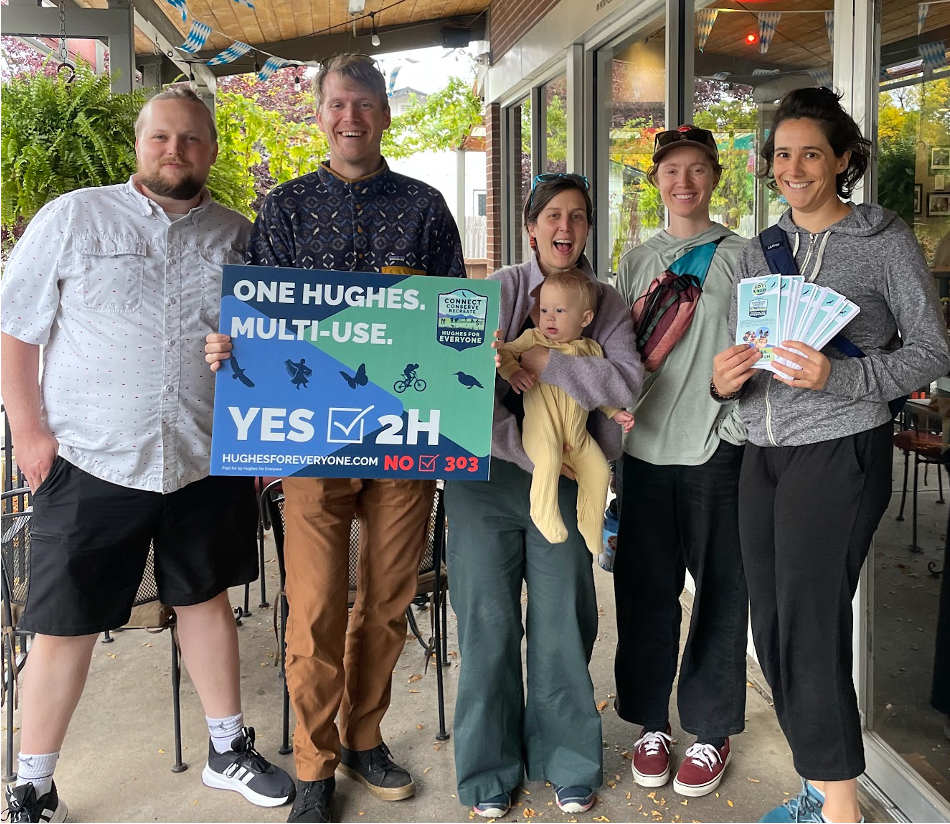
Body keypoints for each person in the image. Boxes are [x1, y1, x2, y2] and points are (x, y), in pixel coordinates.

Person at [0, 87, 295, 824]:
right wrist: (28, 430)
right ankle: (34, 784)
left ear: (212, 151)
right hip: (95, 459)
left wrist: (265, 431)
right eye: (162, 137)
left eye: (191, 139)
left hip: (203, 455)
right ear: (140, 144)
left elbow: (271, 343)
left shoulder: (238, 235)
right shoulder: (75, 217)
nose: (175, 150)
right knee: (62, 621)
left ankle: (227, 750)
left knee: (204, 598)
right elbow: (16, 326)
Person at [204, 54, 464, 824]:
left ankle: (362, 735)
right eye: (337, 104)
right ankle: (314, 766)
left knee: (387, 601)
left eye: (364, 104)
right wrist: (233, 346)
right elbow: (257, 320)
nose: (350, 117)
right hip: (310, 444)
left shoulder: (425, 208)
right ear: (319, 115)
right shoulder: (281, 209)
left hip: (403, 443)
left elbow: (449, 319)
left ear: (385, 115)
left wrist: (470, 350)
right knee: (314, 605)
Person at [711, 87, 950, 824]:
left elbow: (933, 350)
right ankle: (822, 786)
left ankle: (840, 811)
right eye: (782, 155)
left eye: (811, 153)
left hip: (840, 451)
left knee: (810, 629)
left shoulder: (883, 242)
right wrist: (728, 383)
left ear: (844, 160)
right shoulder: (757, 249)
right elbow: (748, 360)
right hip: (763, 452)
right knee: (773, 628)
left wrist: (839, 374)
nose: (794, 168)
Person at [444, 172, 642, 818]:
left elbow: (625, 384)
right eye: (553, 215)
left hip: (567, 482)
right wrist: (531, 452)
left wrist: (549, 364)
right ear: (531, 227)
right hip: (490, 477)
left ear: (589, 228)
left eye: (578, 216)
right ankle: (487, 771)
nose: (565, 228)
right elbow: (461, 385)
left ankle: (568, 759)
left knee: (562, 619)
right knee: (487, 626)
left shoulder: (603, 302)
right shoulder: (498, 290)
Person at [613, 125, 749, 798]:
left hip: (713, 449)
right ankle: (650, 724)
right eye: (671, 171)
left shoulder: (742, 256)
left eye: (697, 170)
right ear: (656, 181)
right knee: (644, 591)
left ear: (715, 177)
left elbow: (759, 348)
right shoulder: (637, 261)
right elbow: (617, 357)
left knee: (722, 592)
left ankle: (711, 729)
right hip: (643, 450)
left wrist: (732, 422)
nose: (684, 182)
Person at [497, 267, 635, 553]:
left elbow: (599, 392)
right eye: (544, 308)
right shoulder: (533, 339)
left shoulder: (591, 350)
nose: (548, 317)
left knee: (598, 471)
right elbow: (505, 352)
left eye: (559, 311)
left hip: (578, 435)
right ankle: (543, 513)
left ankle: (589, 524)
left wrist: (614, 413)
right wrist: (512, 372)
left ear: (585, 318)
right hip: (542, 430)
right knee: (546, 459)